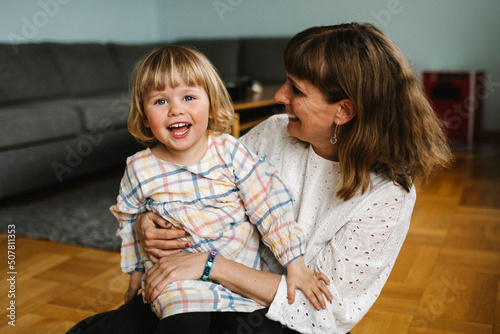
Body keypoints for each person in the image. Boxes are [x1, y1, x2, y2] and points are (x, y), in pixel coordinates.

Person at [68, 22, 452, 334]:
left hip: (283, 318)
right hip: (203, 285)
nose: (280, 95)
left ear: (343, 111)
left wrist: (208, 264)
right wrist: (146, 223)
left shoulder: (388, 195)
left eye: (297, 90)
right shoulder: (273, 131)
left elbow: (325, 310)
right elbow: (201, 186)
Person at [87, 45, 330, 334]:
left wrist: (296, 264)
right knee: (183, 326)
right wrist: (136, 274)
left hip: (238, 276)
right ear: (143, 115)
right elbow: (129, 218)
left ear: (212, 104)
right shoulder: (140, 168)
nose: (176, 109)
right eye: (160, 101)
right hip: (178, 285)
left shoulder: (230, 152)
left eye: (189, 97)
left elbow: (269, 206)